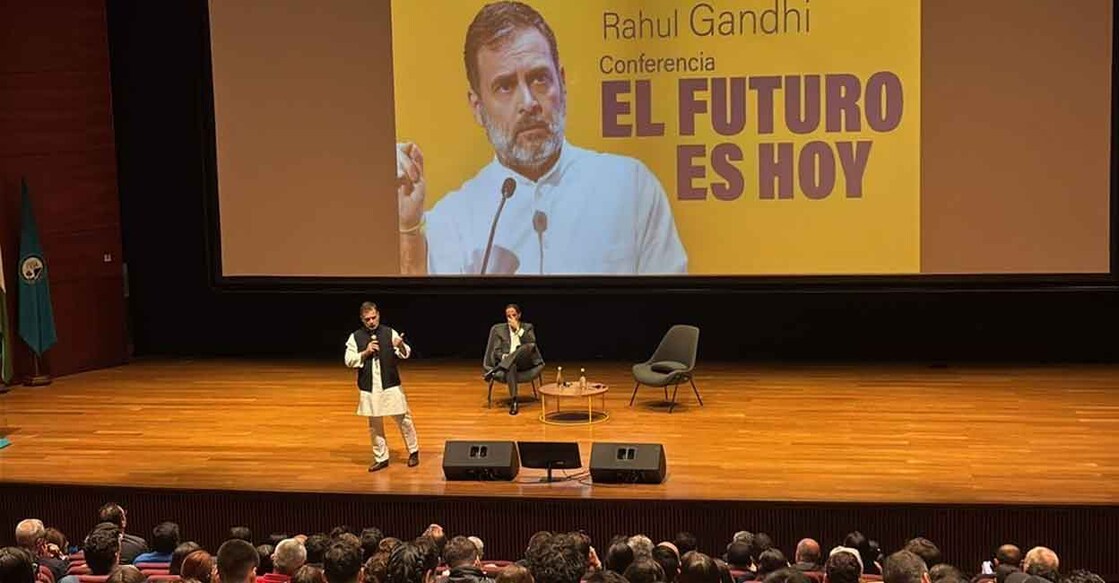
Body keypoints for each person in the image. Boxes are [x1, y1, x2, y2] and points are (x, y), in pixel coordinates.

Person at [395, 1, 687, 276]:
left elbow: (673, 314)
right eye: (505, 86)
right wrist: (407, 229)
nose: (529, 102)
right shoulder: (451, 222)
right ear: (478, 107)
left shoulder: (630, 187)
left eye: (539, 79)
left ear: (562, 82)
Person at [344, 301, 420, 472]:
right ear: (362, 320)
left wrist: (400, 344)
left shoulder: (388, 332)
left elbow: (405, 353)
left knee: (404, 419)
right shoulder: (355, 337)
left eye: (373, 317)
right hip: (370, 385)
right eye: (367, 319)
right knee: (375, 423)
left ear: (378, 315)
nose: (371, 321)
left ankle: (413, 451)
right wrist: (365, 352)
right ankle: (381, 457)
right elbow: (349, 360)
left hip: (390, 382)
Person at [483, 304, 543, 415]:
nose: (511, 318)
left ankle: (498, 368)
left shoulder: (527, 327)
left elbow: (532, 343)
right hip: (510, 364)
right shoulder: (499, 330)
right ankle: (514, 401)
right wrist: (503, 357)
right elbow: (496, 351)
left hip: (525, 361)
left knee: (526, 347)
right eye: (508, 316)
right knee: (511, 365)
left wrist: (518, 329)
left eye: (514, 315)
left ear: (519, 315)